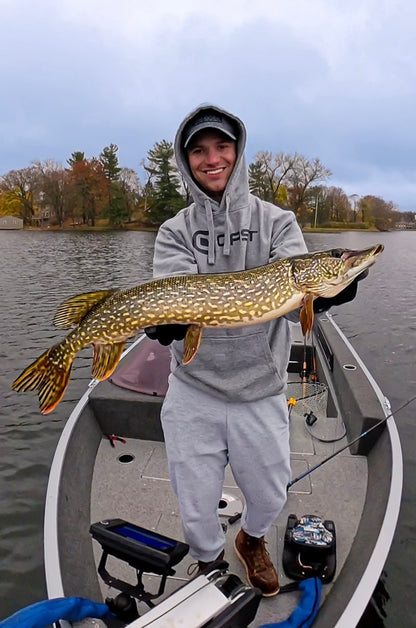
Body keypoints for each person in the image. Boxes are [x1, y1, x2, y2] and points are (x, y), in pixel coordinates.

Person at [145, 105, 362, 596]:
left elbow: (291, 303)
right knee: (196, 503)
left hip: (260, 387)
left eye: (222, 146)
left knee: (268, 495)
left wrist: (326, 295)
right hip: (194, 390)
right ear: (186, 161)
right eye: (199, 150)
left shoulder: (277, 221)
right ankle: (207, 562)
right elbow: (175, 294)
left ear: (238, 153)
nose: (212, 158)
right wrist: (171, 321)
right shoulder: (175, 230)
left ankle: (251, 539)